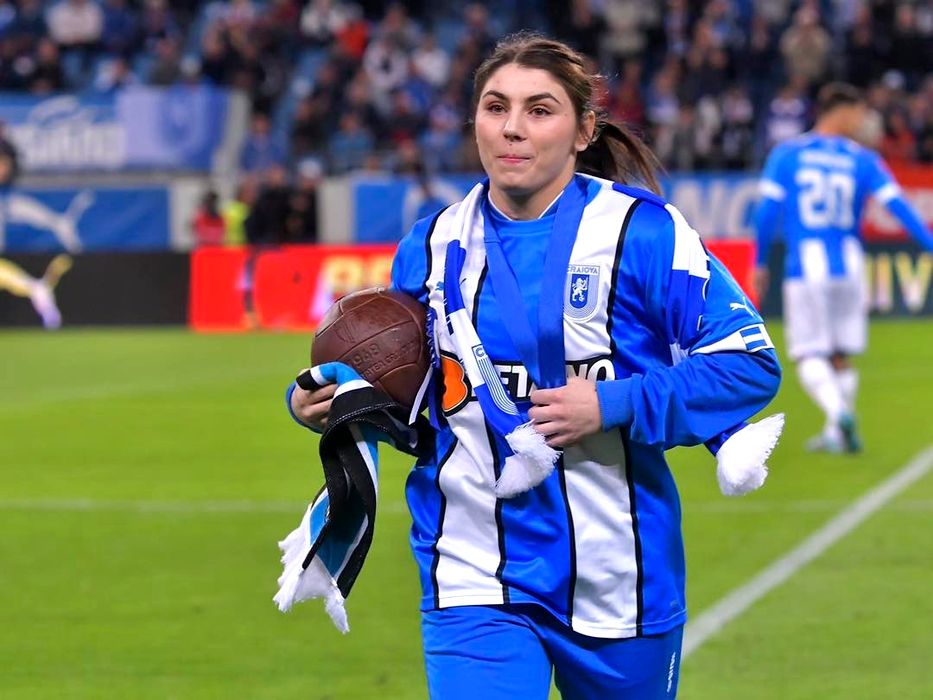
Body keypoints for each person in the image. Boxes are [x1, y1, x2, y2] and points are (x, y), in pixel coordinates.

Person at [288, 34, 781, 699]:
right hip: (471, 567)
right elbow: (415, 401)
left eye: (539, 110)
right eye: (495, 107)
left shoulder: (646, 234)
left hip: (621, 574)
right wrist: (328, 401)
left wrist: (612, 404)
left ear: (583, 131)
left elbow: (749, 365)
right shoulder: (430, 246)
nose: (512, 127)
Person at [754, 82, 933, 454]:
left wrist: (760, 261)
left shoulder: (788, 154)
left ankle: (839, 416)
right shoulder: (862, 159)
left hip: (807, 265)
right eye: (859, 114)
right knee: (839, 353)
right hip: (850, 265)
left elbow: (767, 212)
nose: (862, 121)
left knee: (808, 353)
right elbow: (899, 207)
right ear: (840, 111)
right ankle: (837, 431)